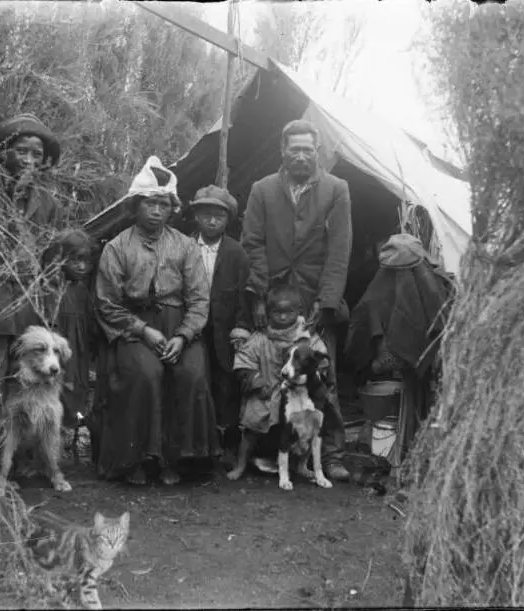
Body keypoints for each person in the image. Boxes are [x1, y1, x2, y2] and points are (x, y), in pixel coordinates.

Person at [93, 156, 221, 486]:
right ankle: (137, 461)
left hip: (179, 324)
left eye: (163, 204)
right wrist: (143, 331)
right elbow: (107, 304)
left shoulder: (185, 246)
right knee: (145, 374)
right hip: (133, 326)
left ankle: (181, 460)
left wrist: (183, 336)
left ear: (171, 208)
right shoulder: (116, 248)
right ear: (135, 205)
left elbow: (199, 299)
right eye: (149, 203)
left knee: (190, 374)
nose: (156, 211)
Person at [240, 119, 353, 481]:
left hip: (314, 295)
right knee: (268, 372)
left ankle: (332, 453)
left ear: (317, 152)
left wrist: (327, 300)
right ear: (283, 151)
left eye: (308, 149)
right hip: (273, 298)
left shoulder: (337, 189)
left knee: (323, 373)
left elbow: (339, 251)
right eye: (295, 149)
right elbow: (252, 243)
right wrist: (258, 295)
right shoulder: (262, 189)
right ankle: (261, 450)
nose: (301, 156)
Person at [0, 114, 65, 454]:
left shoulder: (48, 204)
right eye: (22, 152)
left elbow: (51, 262)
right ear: (3, 153)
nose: (29, 161)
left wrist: (47, 317)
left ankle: (8, 466)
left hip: (27, 312)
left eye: (37, 155)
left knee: (18, 388)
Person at [226, 285, 330, 481]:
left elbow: (321, 359)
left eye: (288, 312)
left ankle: (301, 464)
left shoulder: (306, 337)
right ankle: (240, 464)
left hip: (298, 394)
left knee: (310, 424)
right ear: (267, 312)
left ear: (299, 311)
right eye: (277, 312)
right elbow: (243, 361)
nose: (282, 317)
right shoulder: (261, 337)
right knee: (253, 419)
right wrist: (256, 381)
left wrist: (313, 377)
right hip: (266, 391)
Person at [189, 185, 252, 463]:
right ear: (196, 217)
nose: (212, 221)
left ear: (228, 220)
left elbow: (243, 294)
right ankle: (200, 442)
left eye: (219, 216)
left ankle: (228, 444)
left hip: (225, 329)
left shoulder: (236, 252)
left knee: (226, 382)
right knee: (197, 380)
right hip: (193, 328)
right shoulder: (184, 246)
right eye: (206, 215)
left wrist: (241, 325)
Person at [40, 229, 99, 430]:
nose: (82, 267)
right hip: (61, 361)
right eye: (75, 261)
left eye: (86, 261)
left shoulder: (81, 289)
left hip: (79, 359)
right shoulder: (51, 290)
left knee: (75, 404)